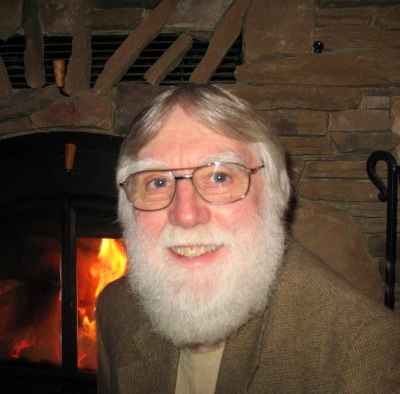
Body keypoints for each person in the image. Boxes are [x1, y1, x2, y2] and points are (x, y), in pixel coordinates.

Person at [96, 84, 400, 394]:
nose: (186, 215)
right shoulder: (115, 309)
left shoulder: (365, 352)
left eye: (220, 177)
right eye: (157, 181)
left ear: (275, 195)